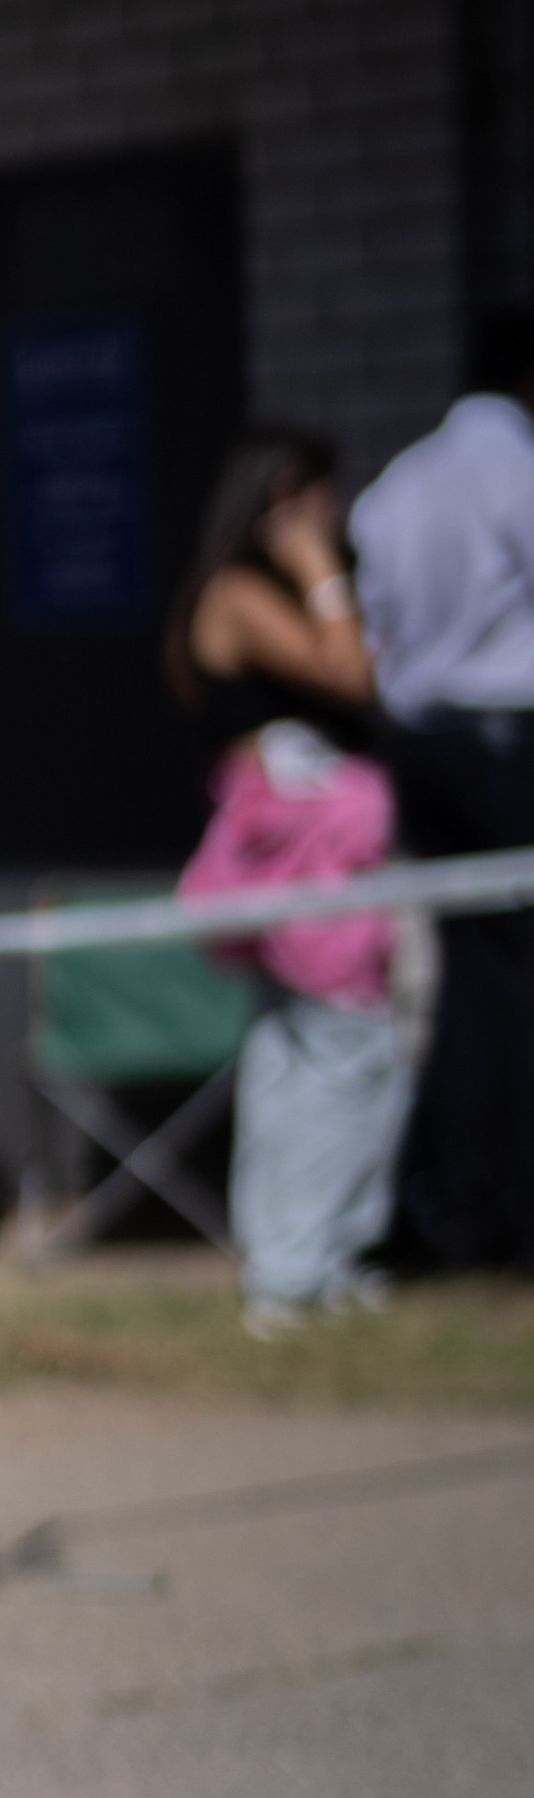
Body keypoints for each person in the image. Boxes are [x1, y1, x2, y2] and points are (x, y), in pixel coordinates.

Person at [169, 425, 407, 1332]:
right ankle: (294, 1268)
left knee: (300, 1057)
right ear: (279, 500)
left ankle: (304, 1258)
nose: (332, 517)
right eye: (317, 500)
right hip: (300, 855)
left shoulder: (237, 593)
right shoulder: (237, 592)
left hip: (309, 850)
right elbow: (348, 673)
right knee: (344, 1051)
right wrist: (317, 568)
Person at [350, 344, 534, 1272]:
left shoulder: (399, 481)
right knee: (512, 979)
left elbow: (373, 614)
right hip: (507, 733)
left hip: (420, 740)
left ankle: (463, 1201)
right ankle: (503, 1204)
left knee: (471, 982)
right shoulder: (515, 466)